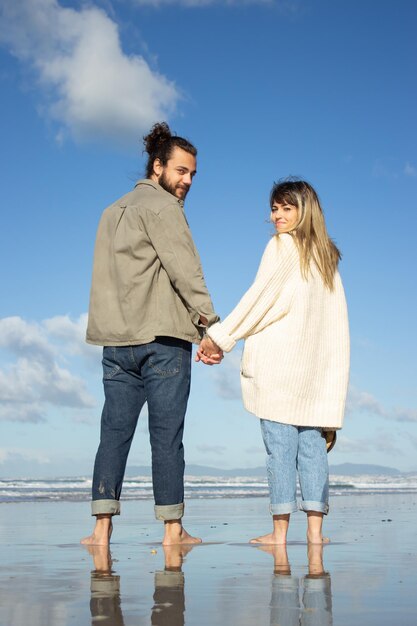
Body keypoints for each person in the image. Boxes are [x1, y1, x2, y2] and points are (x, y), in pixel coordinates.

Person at [81, 122, 221, 547]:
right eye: (181, 171)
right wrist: (210, 328)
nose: (187, 181)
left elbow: (106, 279)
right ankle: (172, 530)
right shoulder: (163, 209)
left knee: (113, 434)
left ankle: (100, 530)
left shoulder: (111, 211)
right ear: (157, 166)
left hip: (117, 340)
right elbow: (185, 271)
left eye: (193, 174)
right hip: (161, 340)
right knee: (166, 436)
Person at [197, 179, 349, 544]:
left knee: (281, 451)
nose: (276, 216)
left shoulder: (282, 247)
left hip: (281, 370)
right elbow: (338, 325)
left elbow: (259, 299)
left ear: (304, 209)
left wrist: (220, 337)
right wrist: (333, 382)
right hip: (314, 377)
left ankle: (279, 535)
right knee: (312, 452)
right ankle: (315, 534)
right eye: (274, 208)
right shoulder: (327, 258)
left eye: (286, 208)